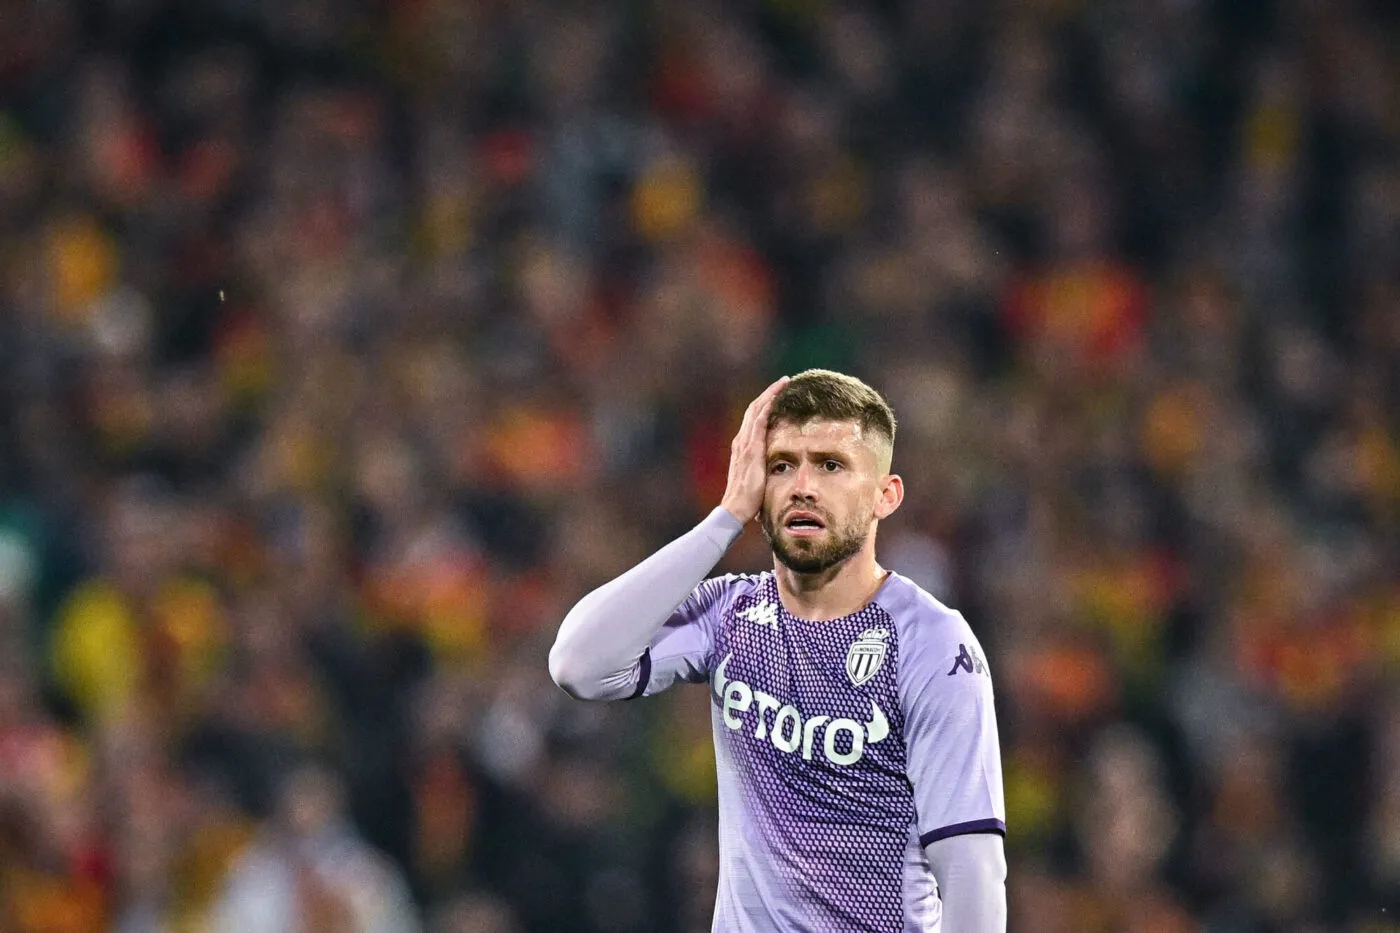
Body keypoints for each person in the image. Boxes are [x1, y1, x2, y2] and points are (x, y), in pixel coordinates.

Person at [549, 370, 1006, 932]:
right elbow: (579, 665)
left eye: (831, 465)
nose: (802, 486)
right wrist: (724, 520)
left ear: (885, 495)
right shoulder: (728, 613)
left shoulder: (930, 642)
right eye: (782, 465)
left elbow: (971, 868)